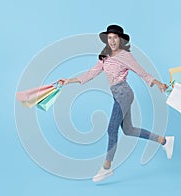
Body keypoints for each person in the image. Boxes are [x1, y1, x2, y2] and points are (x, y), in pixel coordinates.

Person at [59, 25, 174, 183]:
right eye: (110, 37)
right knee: (128, 130)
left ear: (120, 39)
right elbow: (91, 73)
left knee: (111, 129)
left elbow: (141, 72)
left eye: (115, 37)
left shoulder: (125, 55)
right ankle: (164, 140)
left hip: (123, 93)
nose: (112, 41)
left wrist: (159, 83)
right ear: (107, 39)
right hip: (118, 95)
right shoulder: (105, 57)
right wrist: (68, 81)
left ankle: (107, 167)